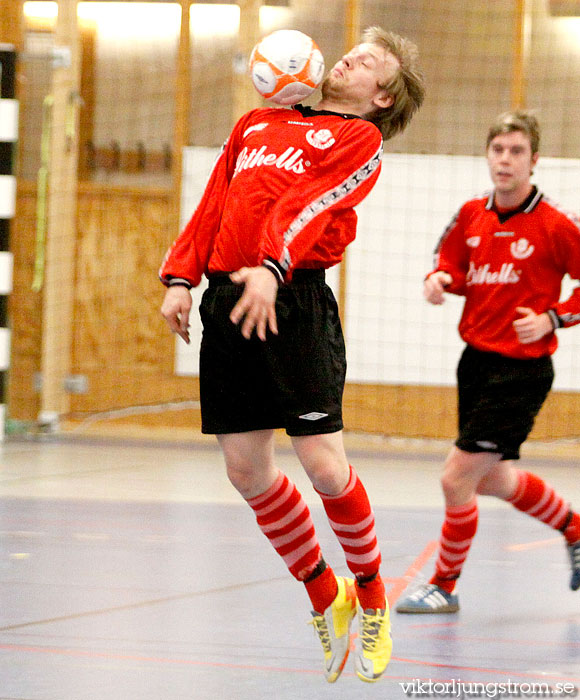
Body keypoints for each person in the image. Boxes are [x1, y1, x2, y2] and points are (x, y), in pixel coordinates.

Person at [160, 27, 425, 681]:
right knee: (245, 471)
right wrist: (179, 278)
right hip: (228, 301)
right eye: (352, 50)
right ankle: (322, 593)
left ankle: (370, 598)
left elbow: (306, 207)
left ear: (382, 96)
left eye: (367, 61)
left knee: (324, 466)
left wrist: (273, 268)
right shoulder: (257, 123)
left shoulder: (357, 142)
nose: (349, 58)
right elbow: (213, 206)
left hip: (293, 302)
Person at [396, 109, 580, 615]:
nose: (505, 160)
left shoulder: (556, 223)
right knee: (493, 479)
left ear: (534, 161)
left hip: (521, 370)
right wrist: (439, 281)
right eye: (498, 150)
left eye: (516, 151)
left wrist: (553, 319)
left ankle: (444, 585)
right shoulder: (471, 213)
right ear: (488, 156)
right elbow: (450, 263)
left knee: (456, 478)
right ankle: (576, 530)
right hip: (475, 362)